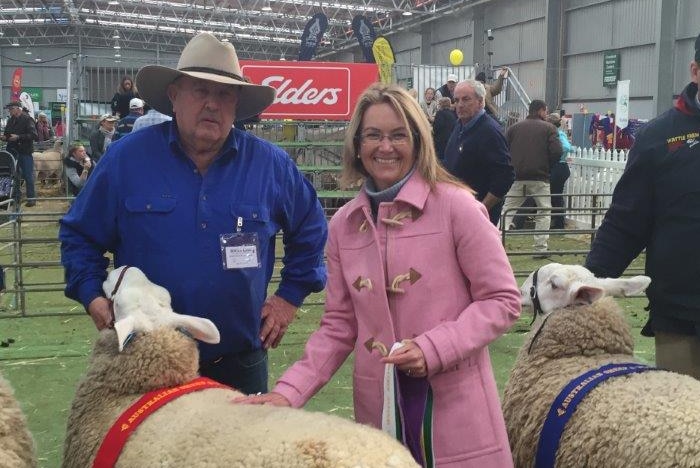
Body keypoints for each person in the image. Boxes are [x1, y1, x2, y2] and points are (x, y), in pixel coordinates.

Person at [236, 83, 521, 468]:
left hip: (456, 415)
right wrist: (289, 393)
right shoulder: (343, 226)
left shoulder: (459, 208)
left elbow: (502, 301)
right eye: (373, 135)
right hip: (378, 417)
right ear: (357, 144)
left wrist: (435, 348)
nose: (385, 147)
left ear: (419, 141)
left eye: (398, 135)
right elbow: (338, 326)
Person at [58, 33, 328, 394]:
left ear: (237, 103)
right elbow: (79, 235)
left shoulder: (270, 166)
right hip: (148, 360)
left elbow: (311, 227)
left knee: (239, 452)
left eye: (224, 94)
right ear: (174, 96)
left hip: (239, 360)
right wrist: (92, 295)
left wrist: (288, 298)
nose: (212, 104)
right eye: (200, 91)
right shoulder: (127, 159)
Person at [585, 32, 700, 380]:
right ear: (695, 71)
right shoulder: (660, 136)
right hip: (682, 315)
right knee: (682, 426)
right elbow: (626, 222)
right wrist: (588, 284)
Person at [444, 79, 514, 225]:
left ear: (481, 101)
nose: (460, 105)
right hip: (456, 210)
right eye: (456, 100)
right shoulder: (459, 126)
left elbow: (505, 176)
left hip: (477, 218)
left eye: (466, 99)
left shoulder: (489, 131)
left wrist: (481, 208)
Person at [501, 99, 563, 257]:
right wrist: (547, 166)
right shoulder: (549, 128)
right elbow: (557, 151)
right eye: (546, 111)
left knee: (507, 212)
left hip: (517, 177)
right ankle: (540, 249)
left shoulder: (514, 128)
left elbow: (503, 149)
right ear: (541, 111)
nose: (547, 114)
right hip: (540, 177)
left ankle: (496, 246)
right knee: (543, 211)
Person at [1, 101, 37, 207]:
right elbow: (7, 134)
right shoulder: (11, 120)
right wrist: (4, 137)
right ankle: (14, 198)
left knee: (27, 175)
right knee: (13, 175)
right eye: (9, 109)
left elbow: (33, 135)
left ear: (18, 108)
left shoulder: (27, 119)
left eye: (11, 109)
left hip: (24, 152)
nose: (9, 111)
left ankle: (31, 199)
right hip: (12, 152)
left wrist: (18, 137)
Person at [546, 112, 572, 230]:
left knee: (556, 196)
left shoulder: (558, 134)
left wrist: (557, 154)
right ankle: (557, 221)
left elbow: (566, 147)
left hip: (559, 167)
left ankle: (559, 223)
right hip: (560, 167)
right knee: (555, 195)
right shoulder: (558, 134)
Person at [432, 97, 457, 162]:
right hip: (450, 139)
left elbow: (437, 127)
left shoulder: (440, 113)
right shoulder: (452, 114)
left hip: (440, 140)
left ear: (441, 105)